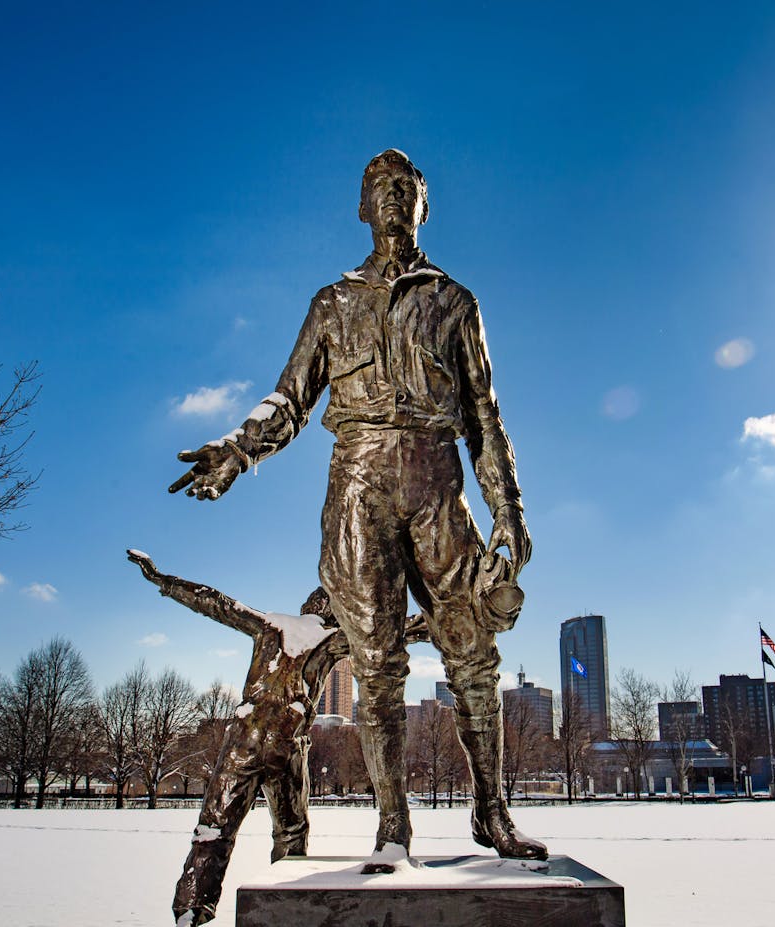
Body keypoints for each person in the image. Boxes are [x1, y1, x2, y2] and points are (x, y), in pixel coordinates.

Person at [169, 149, 545, 869]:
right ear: (363, 207)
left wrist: (509, 511)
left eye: (408, 188)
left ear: (422, 205)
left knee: (471, 652)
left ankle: (492, 810)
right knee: (376, 663)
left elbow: (484, 418)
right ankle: (392, 827)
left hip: (438, 484)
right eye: (381, 189)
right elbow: (289, 399)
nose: (395, 198)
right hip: (358, 489)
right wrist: (238, 451)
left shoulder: (454, 301)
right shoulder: (332, 304)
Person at [126, 549, 431, 924]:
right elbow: (399, 631)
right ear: (332, 610)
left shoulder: (275, 626)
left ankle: (204, 910)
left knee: (220, 830)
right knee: (279, 833)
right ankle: (272, 907)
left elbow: (214, 602)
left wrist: (162, 580)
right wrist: (445, 617)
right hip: (278, 749)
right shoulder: (324, 636)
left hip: (251, 744)